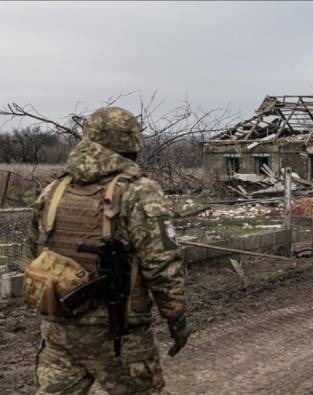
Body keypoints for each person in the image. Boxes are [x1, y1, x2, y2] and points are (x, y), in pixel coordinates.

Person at [25, 107, 190, 394]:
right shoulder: (139, 192)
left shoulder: (53, 190)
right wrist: (176, 319)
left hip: (60, 330)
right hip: (118, 335)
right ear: (131, 144)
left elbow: (37, 251)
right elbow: (163, 266)